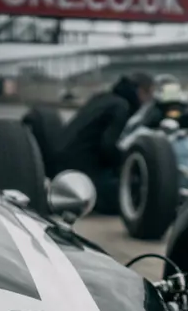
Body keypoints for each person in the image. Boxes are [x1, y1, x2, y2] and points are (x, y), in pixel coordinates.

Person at [54, 72, 153, 214]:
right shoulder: (121, 106)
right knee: (135, 193)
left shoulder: (102, 98)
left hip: (63, 166)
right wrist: (124, 164)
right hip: (83, 171)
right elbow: (107, 147)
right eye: (148, 94)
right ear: (140, 91)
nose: (147, 101)